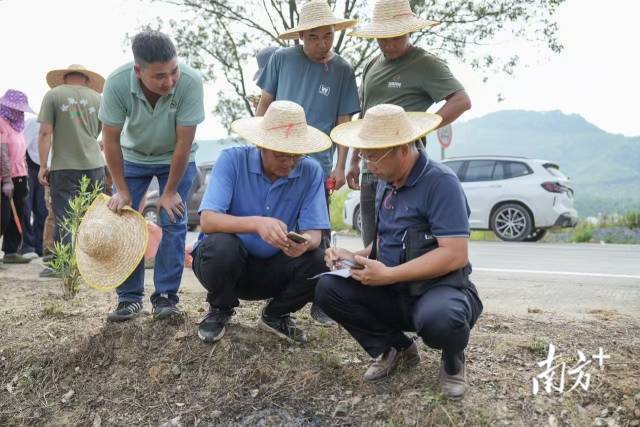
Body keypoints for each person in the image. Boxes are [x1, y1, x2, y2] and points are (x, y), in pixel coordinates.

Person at [316, 104, 483, 399]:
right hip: (393, 288)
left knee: (443, 321)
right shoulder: (386, 182)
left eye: (373, 156)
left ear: (403, 149)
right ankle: (397, 348)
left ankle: (453, 359)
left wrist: (390, 274)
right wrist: (354, 257)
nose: (368, 164)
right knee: (329, 287)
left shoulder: (441, 183)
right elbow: (385, 241)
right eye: (364, 155)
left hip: (435, 289)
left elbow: (455, 254)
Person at [256, 0, 361, 323]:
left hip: (318, 160)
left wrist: (340, 165)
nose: (322, 44)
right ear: (301, 36)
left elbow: (344, 120)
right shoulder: (281, 59)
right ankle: (277, 291)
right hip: (276, 152)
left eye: (327, 36)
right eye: (313, 37)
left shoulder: (342, 69)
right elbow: (265, 103)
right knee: (276, 223)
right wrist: (256, 143)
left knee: (318, 230)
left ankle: (322, 298)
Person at [192, 100, 329, 344]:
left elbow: (314, 234)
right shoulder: (232, 160)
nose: (289, 163)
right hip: (227, 267)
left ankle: (276, 314)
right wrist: (256, 223)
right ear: (260, 146)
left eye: (295, 156)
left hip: (273, 270)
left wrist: (303, 243)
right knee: (220, 246)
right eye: (280, 156)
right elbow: (208, 221)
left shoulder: (311, 171)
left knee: (320, 259)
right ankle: (220, 309)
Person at [346, 0, 471, 247]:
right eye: (382, 38)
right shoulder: (373, 64)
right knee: (372, 244)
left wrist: (421, 128)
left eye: (396, 37)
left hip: (405, 167)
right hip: (371, 168)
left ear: (409, 31)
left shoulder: (425, 63)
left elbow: (461, 101)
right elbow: (365, 114)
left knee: (405, 243)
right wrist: (354, 160)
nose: (389, 45)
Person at [99, 30, 204, 322]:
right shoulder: (118, 84)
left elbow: (183, 144)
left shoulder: (191, 82)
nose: (169, 81)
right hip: (133, 157)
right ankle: (129, 299)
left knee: (173, 219)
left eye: (173, 72)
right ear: (138, 71)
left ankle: (166, 297)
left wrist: (169, 192)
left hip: (176, 158)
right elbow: (110, 140)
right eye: (159, 76)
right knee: (126, 219)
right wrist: (120, 189)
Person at [37, 64, 106, 246]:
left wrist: (43, 166)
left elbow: (45, 133)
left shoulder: (53, 95)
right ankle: (89, 267)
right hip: (95, 166)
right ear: (87, 80)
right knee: (92, 216)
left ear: (65, 78)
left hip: (63, 167)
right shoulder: (98, 99)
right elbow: (104, 133)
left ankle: (67, 267)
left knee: (64, 218)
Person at [0, 90, 36, 264]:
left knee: (18, 214)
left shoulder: (17, 126)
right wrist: (6, 179)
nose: (19, 113)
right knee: (3, 216)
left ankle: (11, 252)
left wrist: (25, 177)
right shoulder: (1, 123)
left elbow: (22, 153)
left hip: (20, 177)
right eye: (16, 109)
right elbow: (2, 153)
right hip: (6, 178)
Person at [21, 118, 47, 258]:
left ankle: (39, 246)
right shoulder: (33, 123)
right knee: (26, 207)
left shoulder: (60, 124)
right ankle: (26, 246)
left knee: (42, 210)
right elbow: (22, 146)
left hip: (45, 169)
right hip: (28, 167)